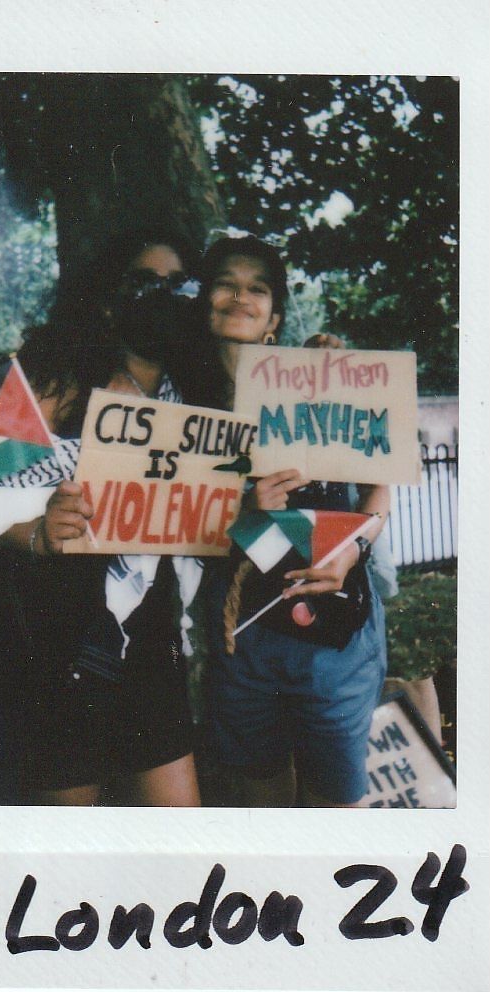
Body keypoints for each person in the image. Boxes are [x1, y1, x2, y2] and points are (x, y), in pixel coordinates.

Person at [0, 230, 203, 806]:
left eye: (178, 284)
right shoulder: (56, 382)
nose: (163, 295)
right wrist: (32, 531)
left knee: (178, 828)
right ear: (107, 300)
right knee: (69, 841)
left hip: (147, 634)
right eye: (143, 282)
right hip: (47, 626)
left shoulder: (193, 395)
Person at [190, 235, 390, 808]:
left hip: (334, 635)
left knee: (336, 807)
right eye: (226, 282)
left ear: (275, 315)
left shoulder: (317, 376)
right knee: (261, 803)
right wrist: (238, 509)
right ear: (203, 298)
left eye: (258, 288)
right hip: (242, 637)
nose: (240, 297)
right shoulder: (178, 402)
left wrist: (353, 548)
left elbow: (382, 483)